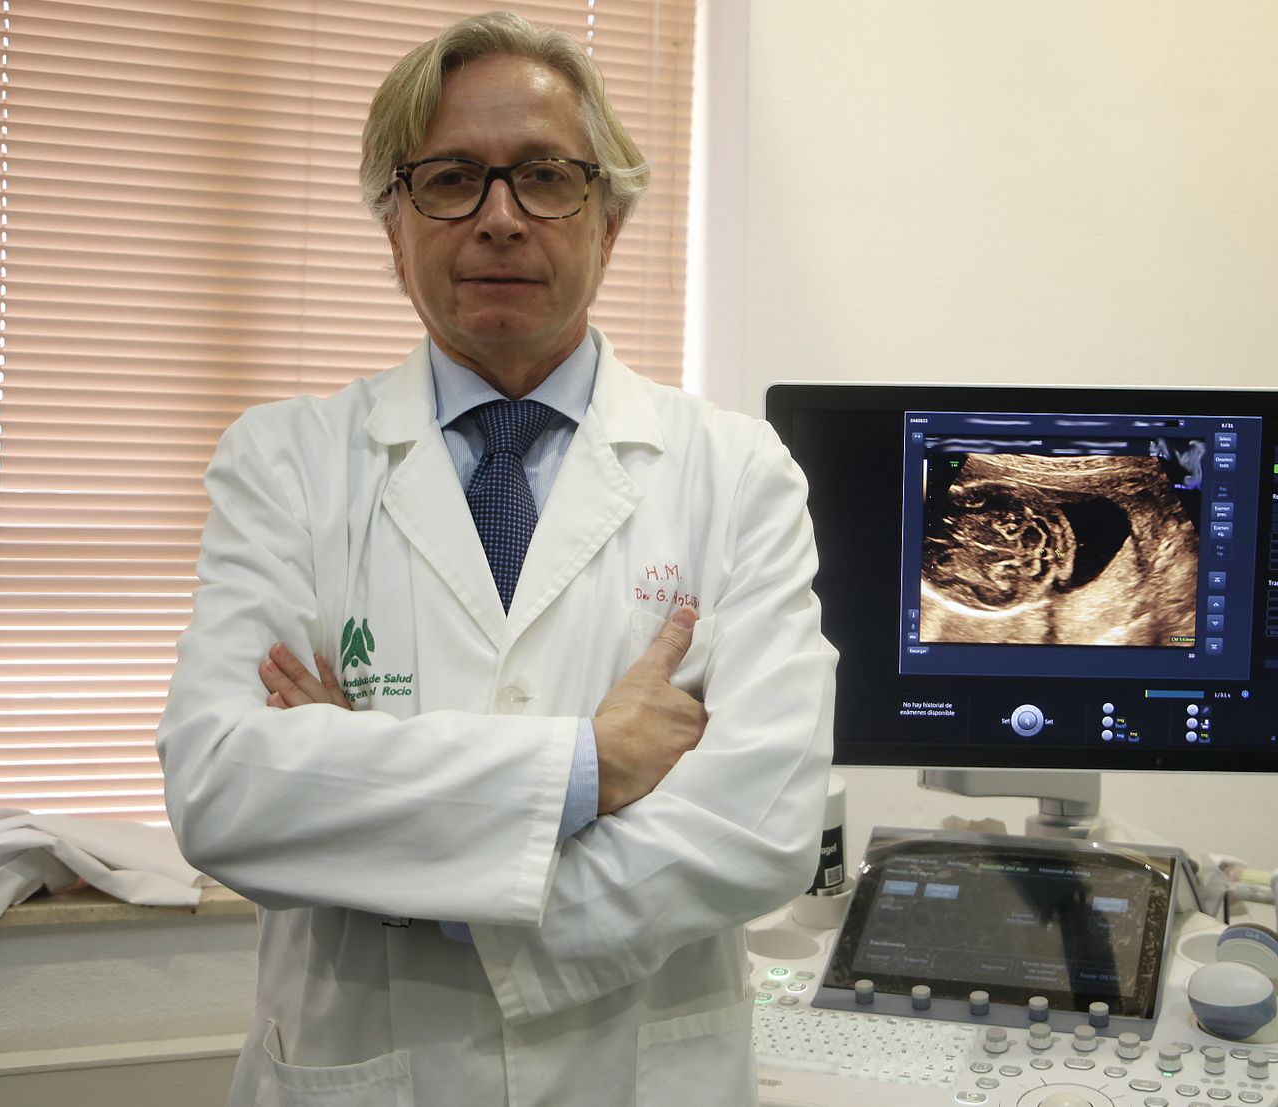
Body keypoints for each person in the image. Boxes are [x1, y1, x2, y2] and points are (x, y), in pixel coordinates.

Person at [156, 11, 835, 1106]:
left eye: (547, 177)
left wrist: (389, 847)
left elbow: (758, 829)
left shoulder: (735, 470)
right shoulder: (285, 461)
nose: (501, 219)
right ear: (392, 226)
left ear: (609, 221)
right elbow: (225, 787)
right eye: (450, 180)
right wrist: (587, 768)